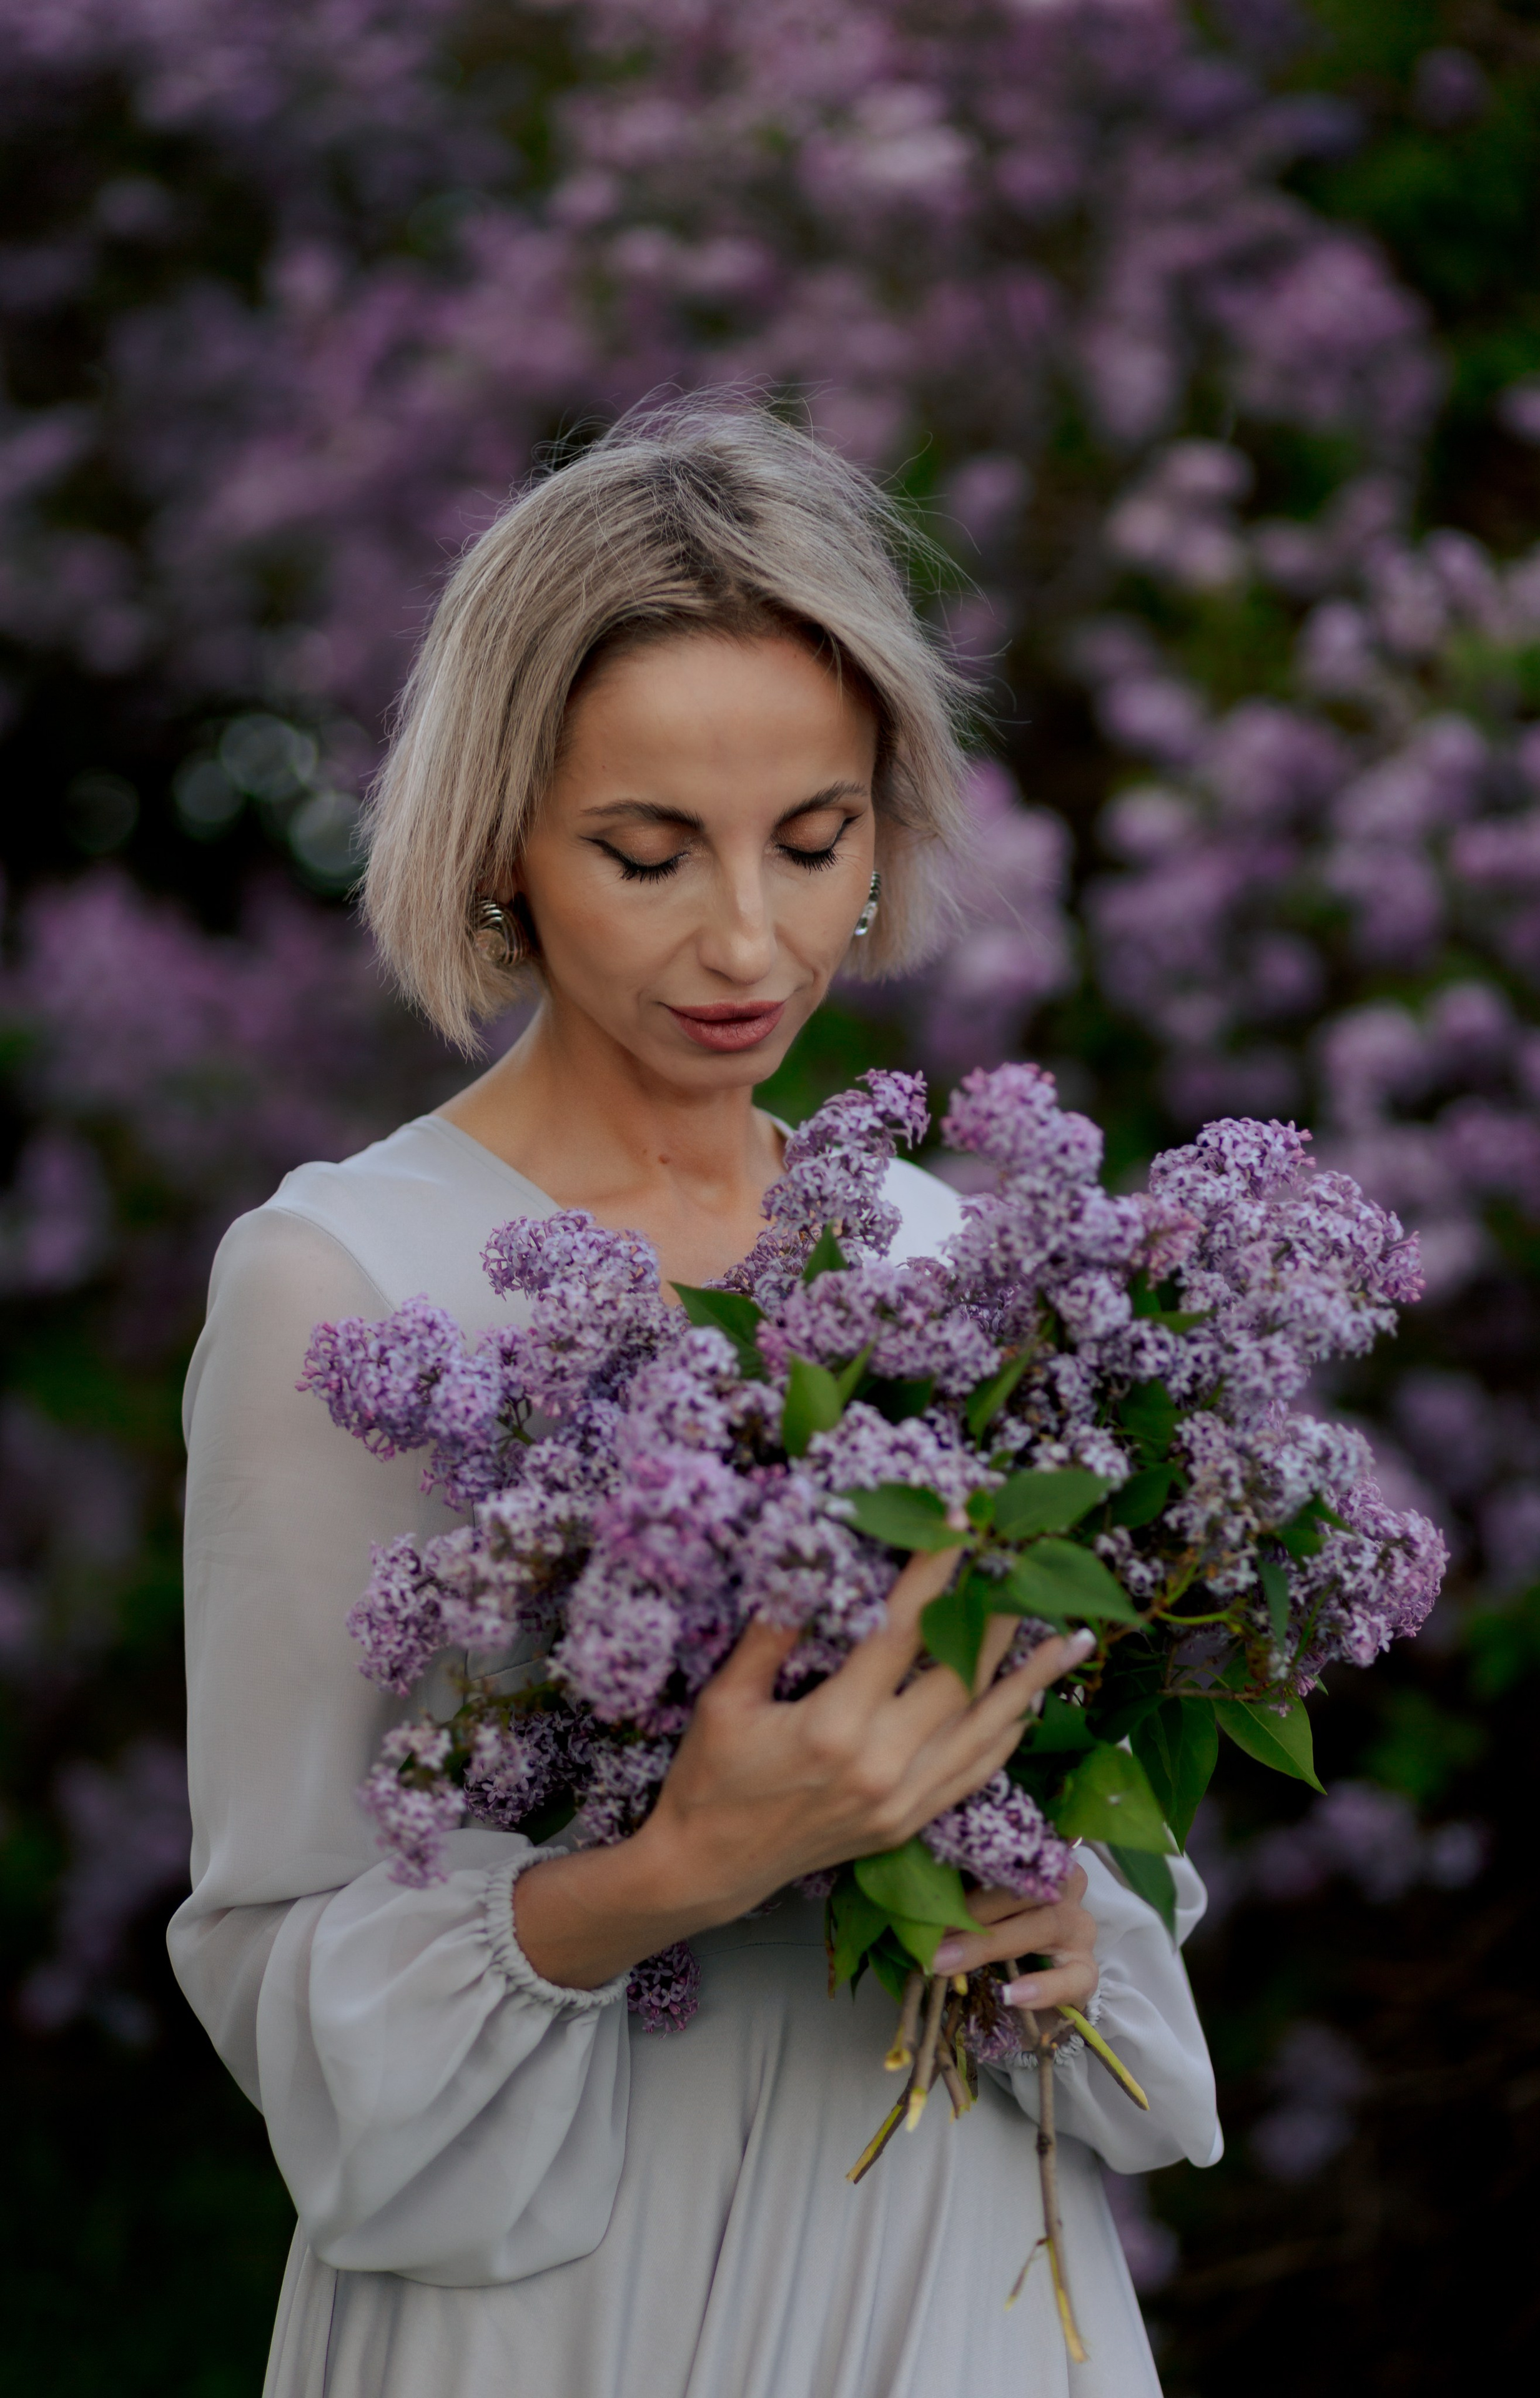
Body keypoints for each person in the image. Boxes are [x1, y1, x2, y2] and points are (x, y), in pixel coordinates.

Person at [170, 400, 1220, 2398]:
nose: (749, 938)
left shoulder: (958, 1261)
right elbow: (274, 1958)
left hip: (953, 2259)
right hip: (570, 2301)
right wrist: (680, 1867)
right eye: (647, 854)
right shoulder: (341, 1281)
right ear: (500, 842)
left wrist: (1077, 1921)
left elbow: (1093, 1820)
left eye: (813, 844)